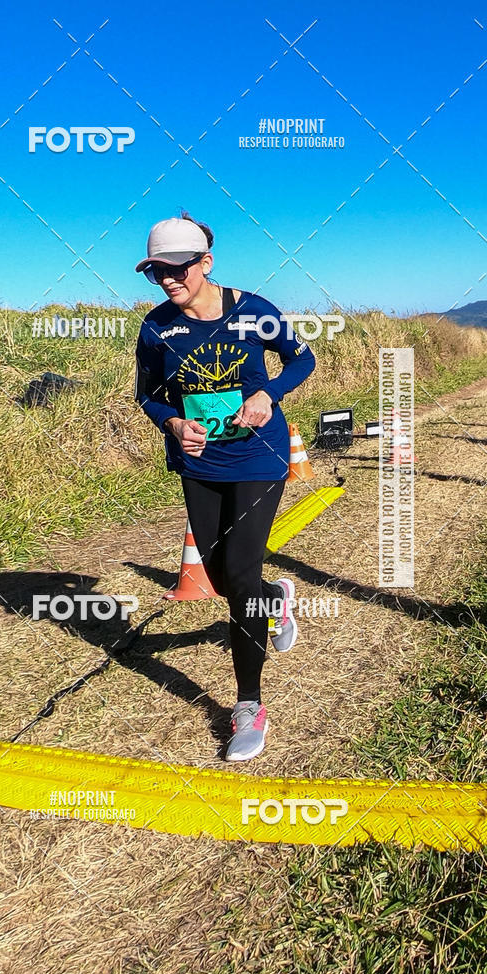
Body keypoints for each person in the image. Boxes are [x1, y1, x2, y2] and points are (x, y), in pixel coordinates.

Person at [133, 213, 316, 762]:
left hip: (259, 456)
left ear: (204, 263)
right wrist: (172, 423)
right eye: (154, 272)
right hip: (201, 462)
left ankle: (248, 704)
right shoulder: (156, 327)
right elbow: (148, 395)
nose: (166, 280)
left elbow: (301, 357)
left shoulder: (253, 311)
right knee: (216, 575)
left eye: (175, 269)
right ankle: (274, 602)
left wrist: (270, 395)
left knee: (240, 572)